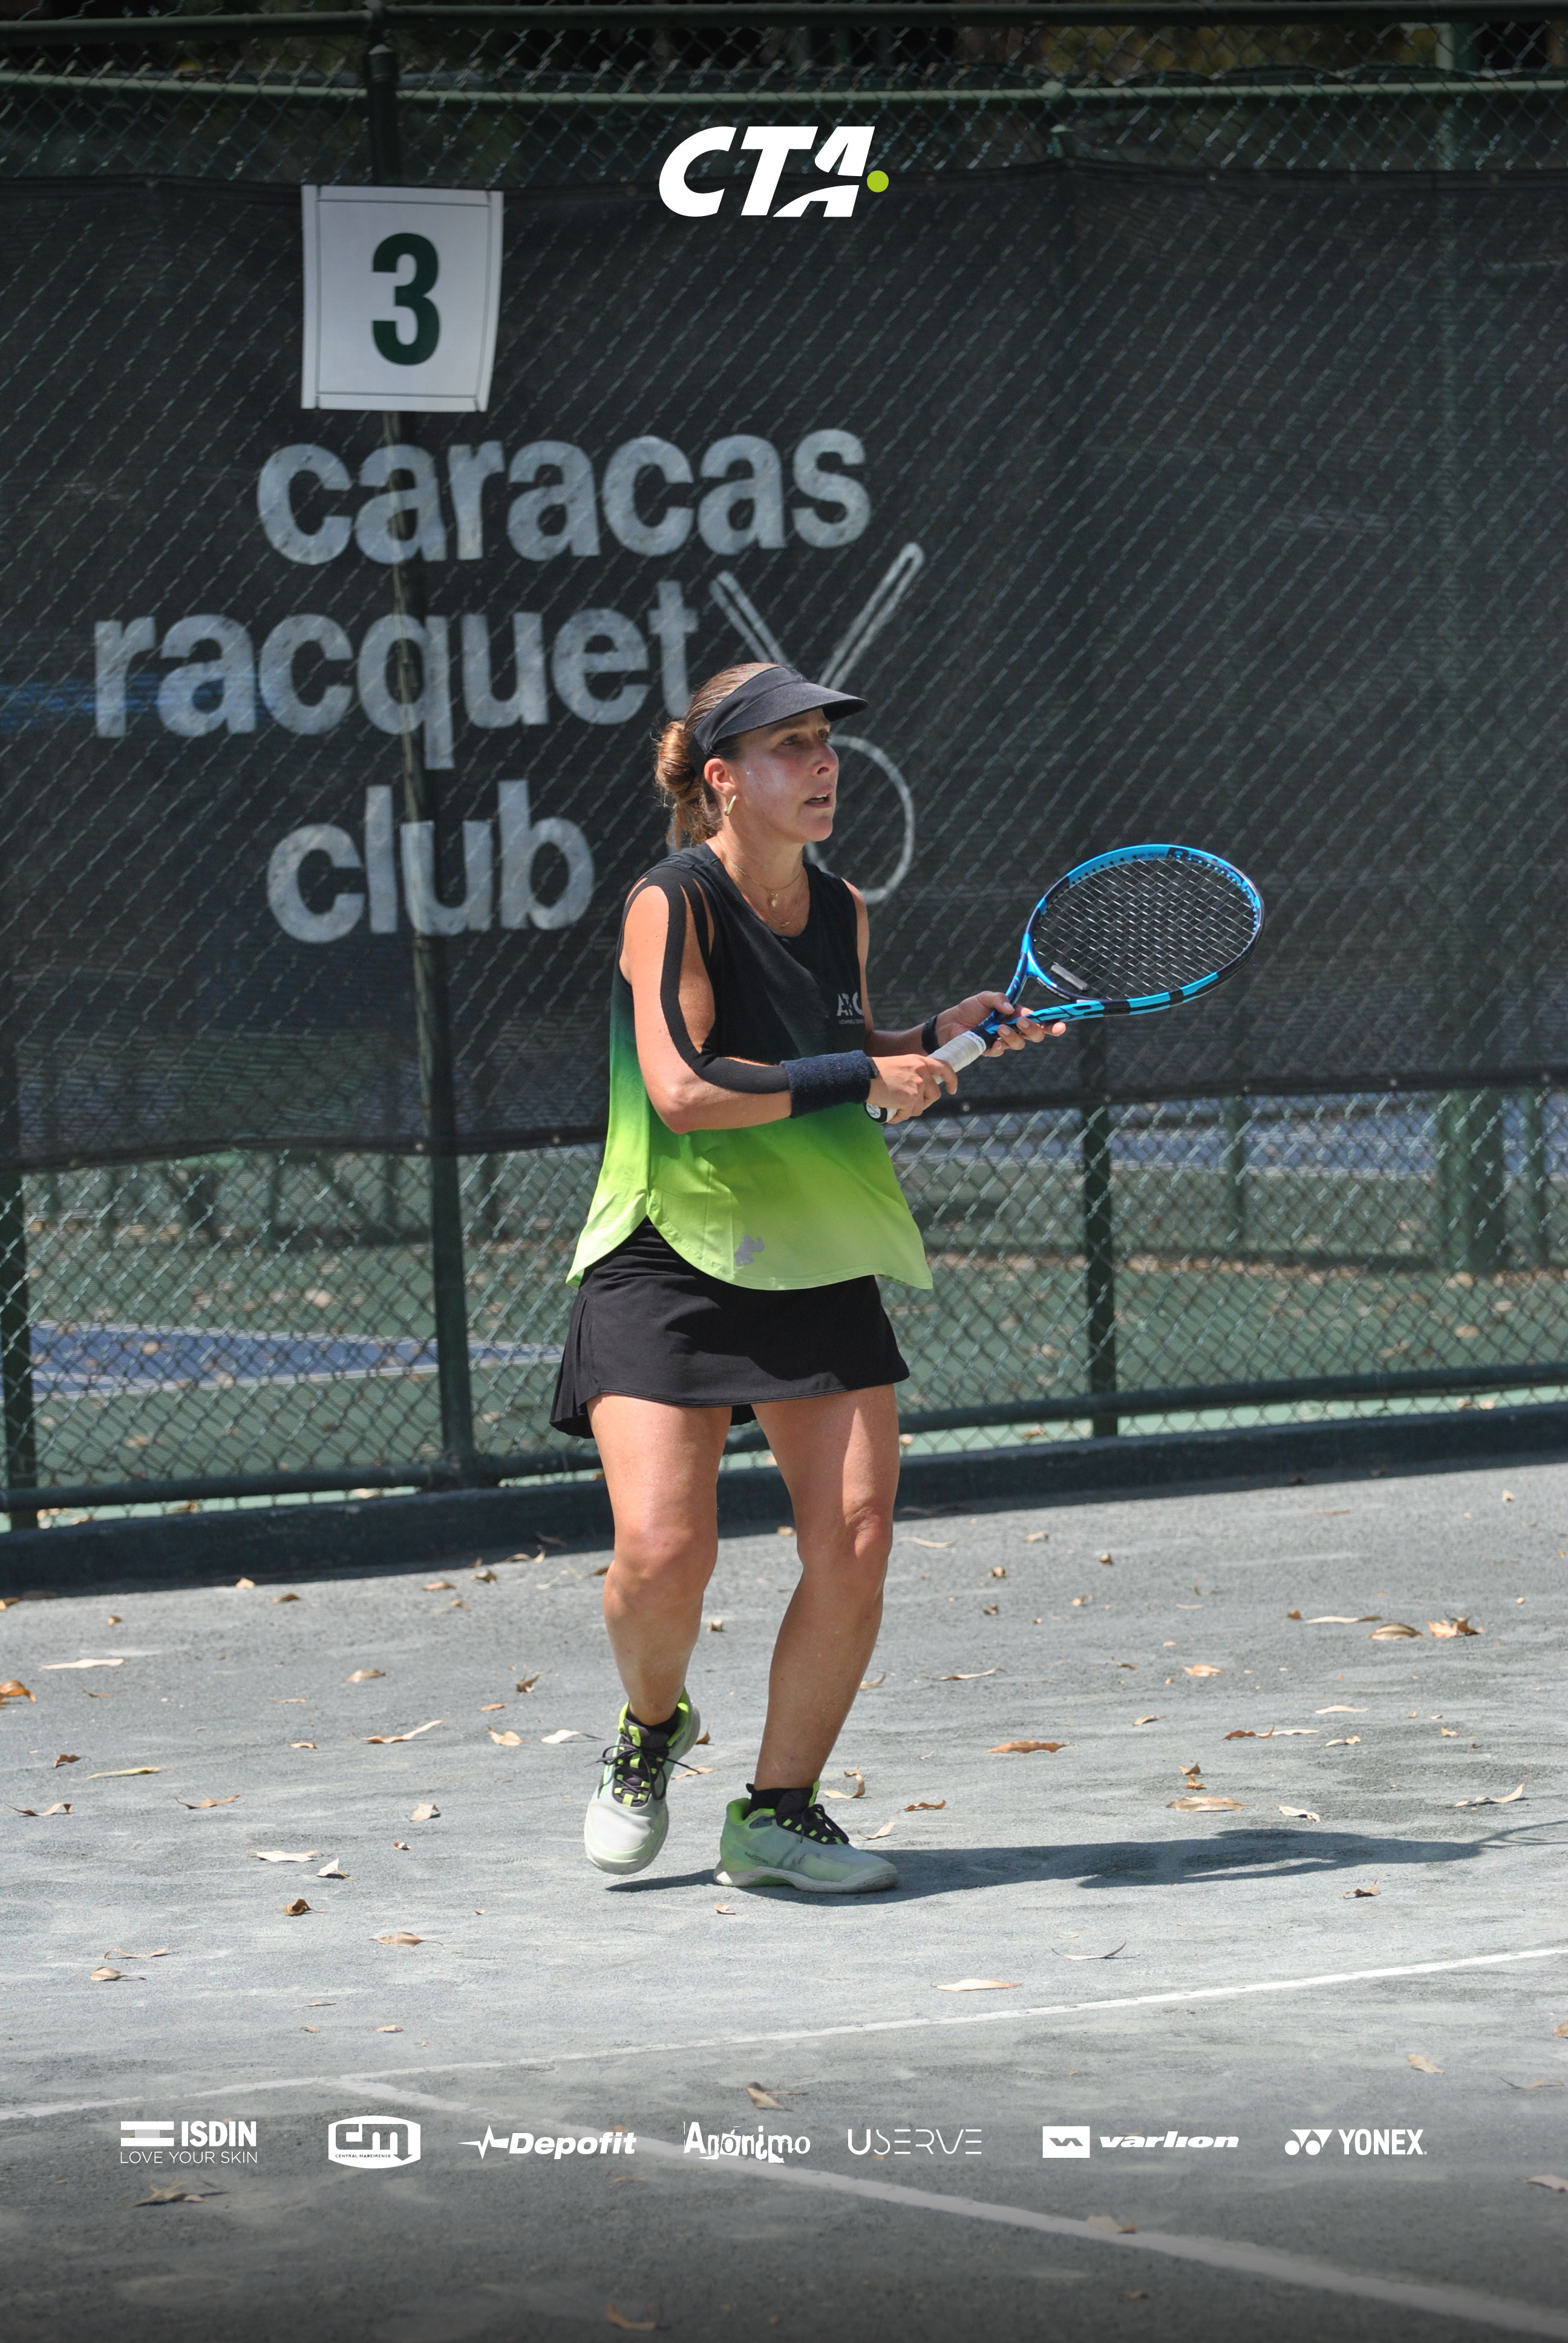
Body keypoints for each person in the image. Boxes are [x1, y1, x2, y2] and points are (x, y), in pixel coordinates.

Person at [552, 661, 1059, 1895]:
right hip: (669, 1254)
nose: (822, 764)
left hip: (817, 1251)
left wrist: (936, 1036)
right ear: (721, 776)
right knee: (661, 1555)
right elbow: (684, 1087)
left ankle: (777, 1811)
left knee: (856, 1538)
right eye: (790, 747)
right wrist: (859, 1078)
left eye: (825, 743)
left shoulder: (838, 906)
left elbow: (834, 1042)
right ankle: (650, 1730)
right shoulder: (671, 901)